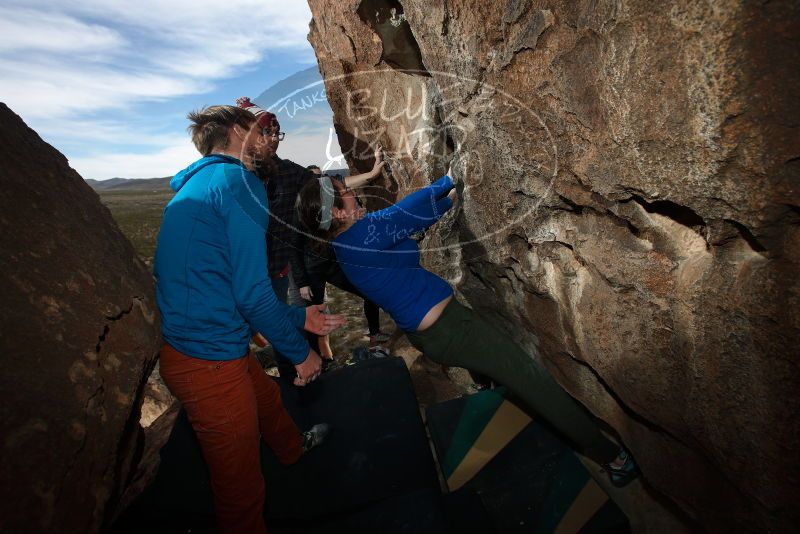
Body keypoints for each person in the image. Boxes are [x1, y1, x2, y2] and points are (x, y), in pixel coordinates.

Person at [295, 170, 639, 487]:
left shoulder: (347, 246)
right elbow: (407, 211)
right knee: (530, 378)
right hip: (449, 329)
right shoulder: (362, 236)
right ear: (338, 213)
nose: (355, 195)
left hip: (440, 330)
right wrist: (449, 179)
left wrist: (438, 209)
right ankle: (612, 457)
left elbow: (404, 245)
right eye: (346, 193)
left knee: (499, 369)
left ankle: (489, 390)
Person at [154, 104, 346, 534]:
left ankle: (294, 450)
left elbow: (225, 288)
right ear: (238, 131)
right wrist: (301, 354)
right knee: (239, 488)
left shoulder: (202, 183)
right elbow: (252, 293)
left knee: (268, 402)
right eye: (264, 129)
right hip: (208, 361)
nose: (272, 139)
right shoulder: (240, 182)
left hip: (207, 344)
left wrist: (299, 321)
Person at [290, 152, 391, 364]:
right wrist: (302, 283)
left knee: (368, 291)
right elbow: (294, 247)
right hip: (313, 269)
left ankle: (374, 333)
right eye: (316, 180)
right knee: (316, 314)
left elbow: (344, 215)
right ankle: (319, 355)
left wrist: (372, 174)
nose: (322, 183)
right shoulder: (304, 211)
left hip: (334, 264)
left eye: (322, 177)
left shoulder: (334, 206)